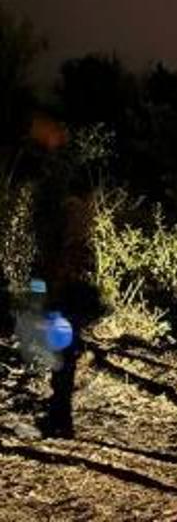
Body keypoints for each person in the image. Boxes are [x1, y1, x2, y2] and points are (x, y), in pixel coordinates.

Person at [9, 113, 103, 439]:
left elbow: (62, 250)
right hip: (59, 282)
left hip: (61, 284)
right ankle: (59, 413)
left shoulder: (69, 207)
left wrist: (46, 287)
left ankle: (60, 416)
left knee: (60, 346)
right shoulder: (74, 207)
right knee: (60, 346)